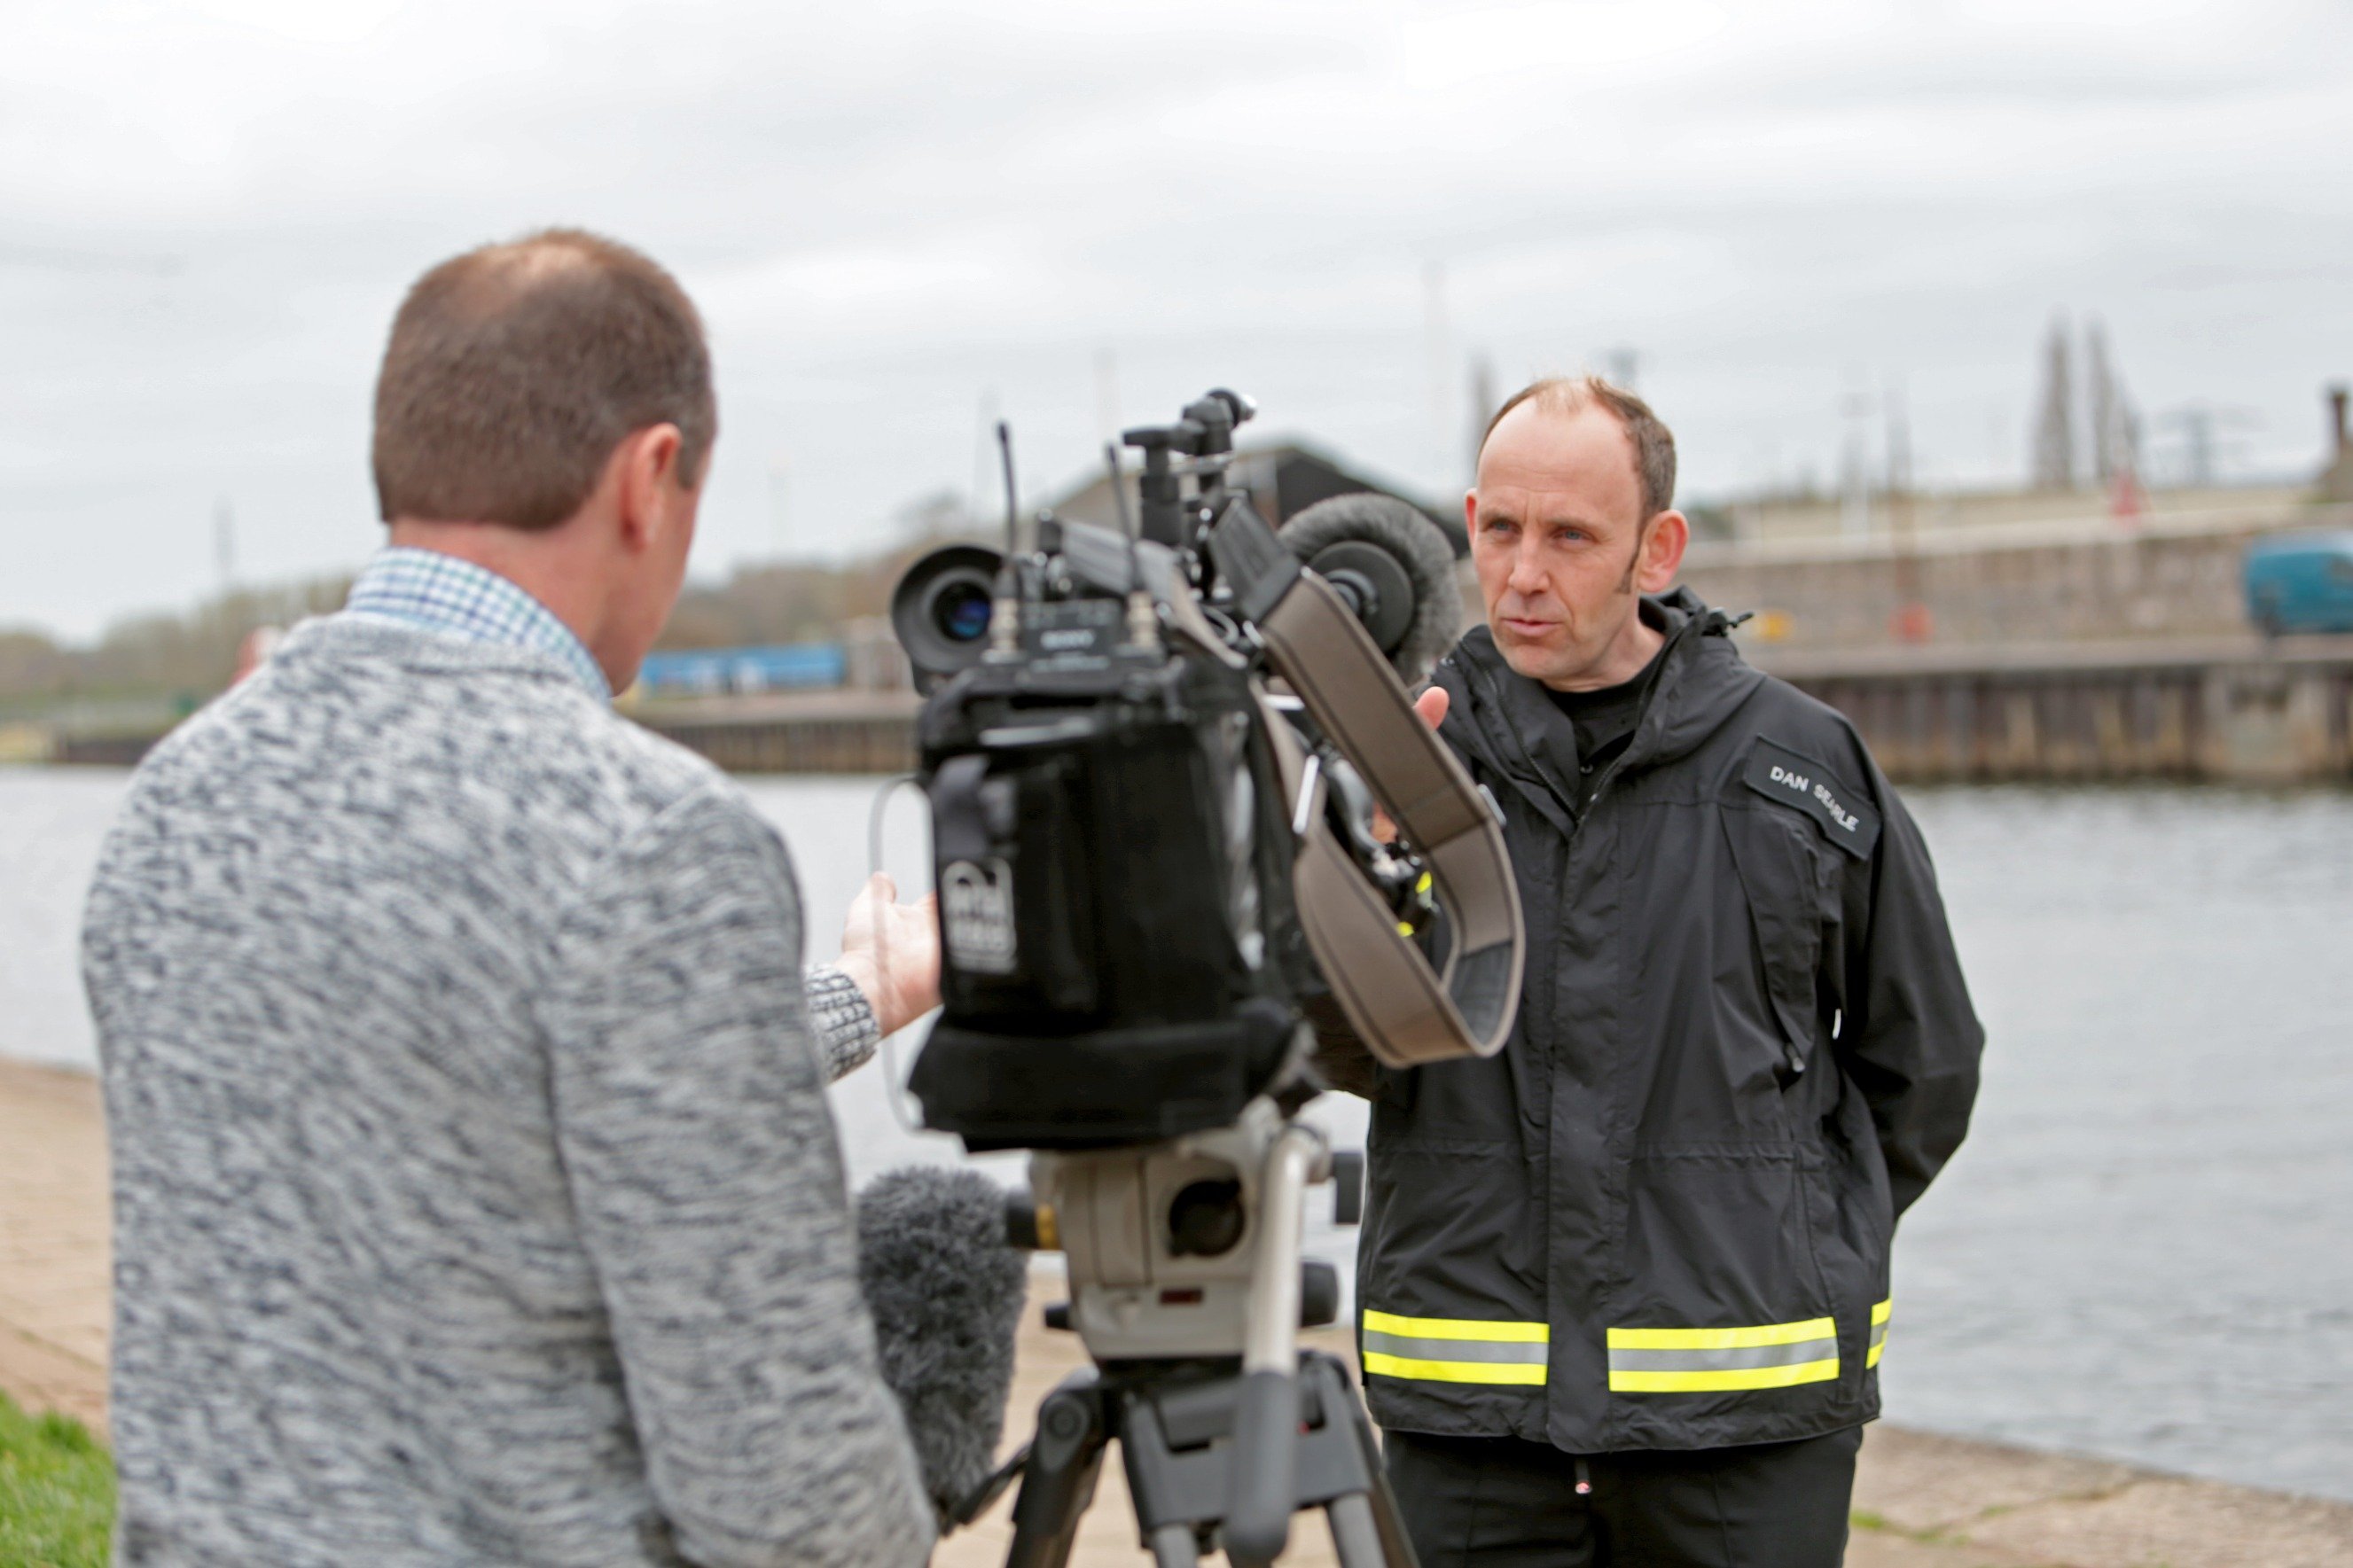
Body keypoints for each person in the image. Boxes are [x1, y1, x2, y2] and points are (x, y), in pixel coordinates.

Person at [82, 230, 946, 1567]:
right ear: (648, 480)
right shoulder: (650, 838)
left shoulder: (179, 795)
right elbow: (788, 1494)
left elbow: (466, 1100)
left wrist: (863, 994)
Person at [1325, 377, 1984, 1567]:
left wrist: (1798, 1229)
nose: (1524, 572)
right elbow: (1326, 1048)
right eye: (1500, 530)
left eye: (1570, 536)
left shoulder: (1802, 766)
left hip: (1745, 1418)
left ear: (1654, 547)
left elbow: (1923, 1059)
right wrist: (1354, 871)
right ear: (1468, 520)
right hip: (1467, 1415)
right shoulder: (1400, 764)